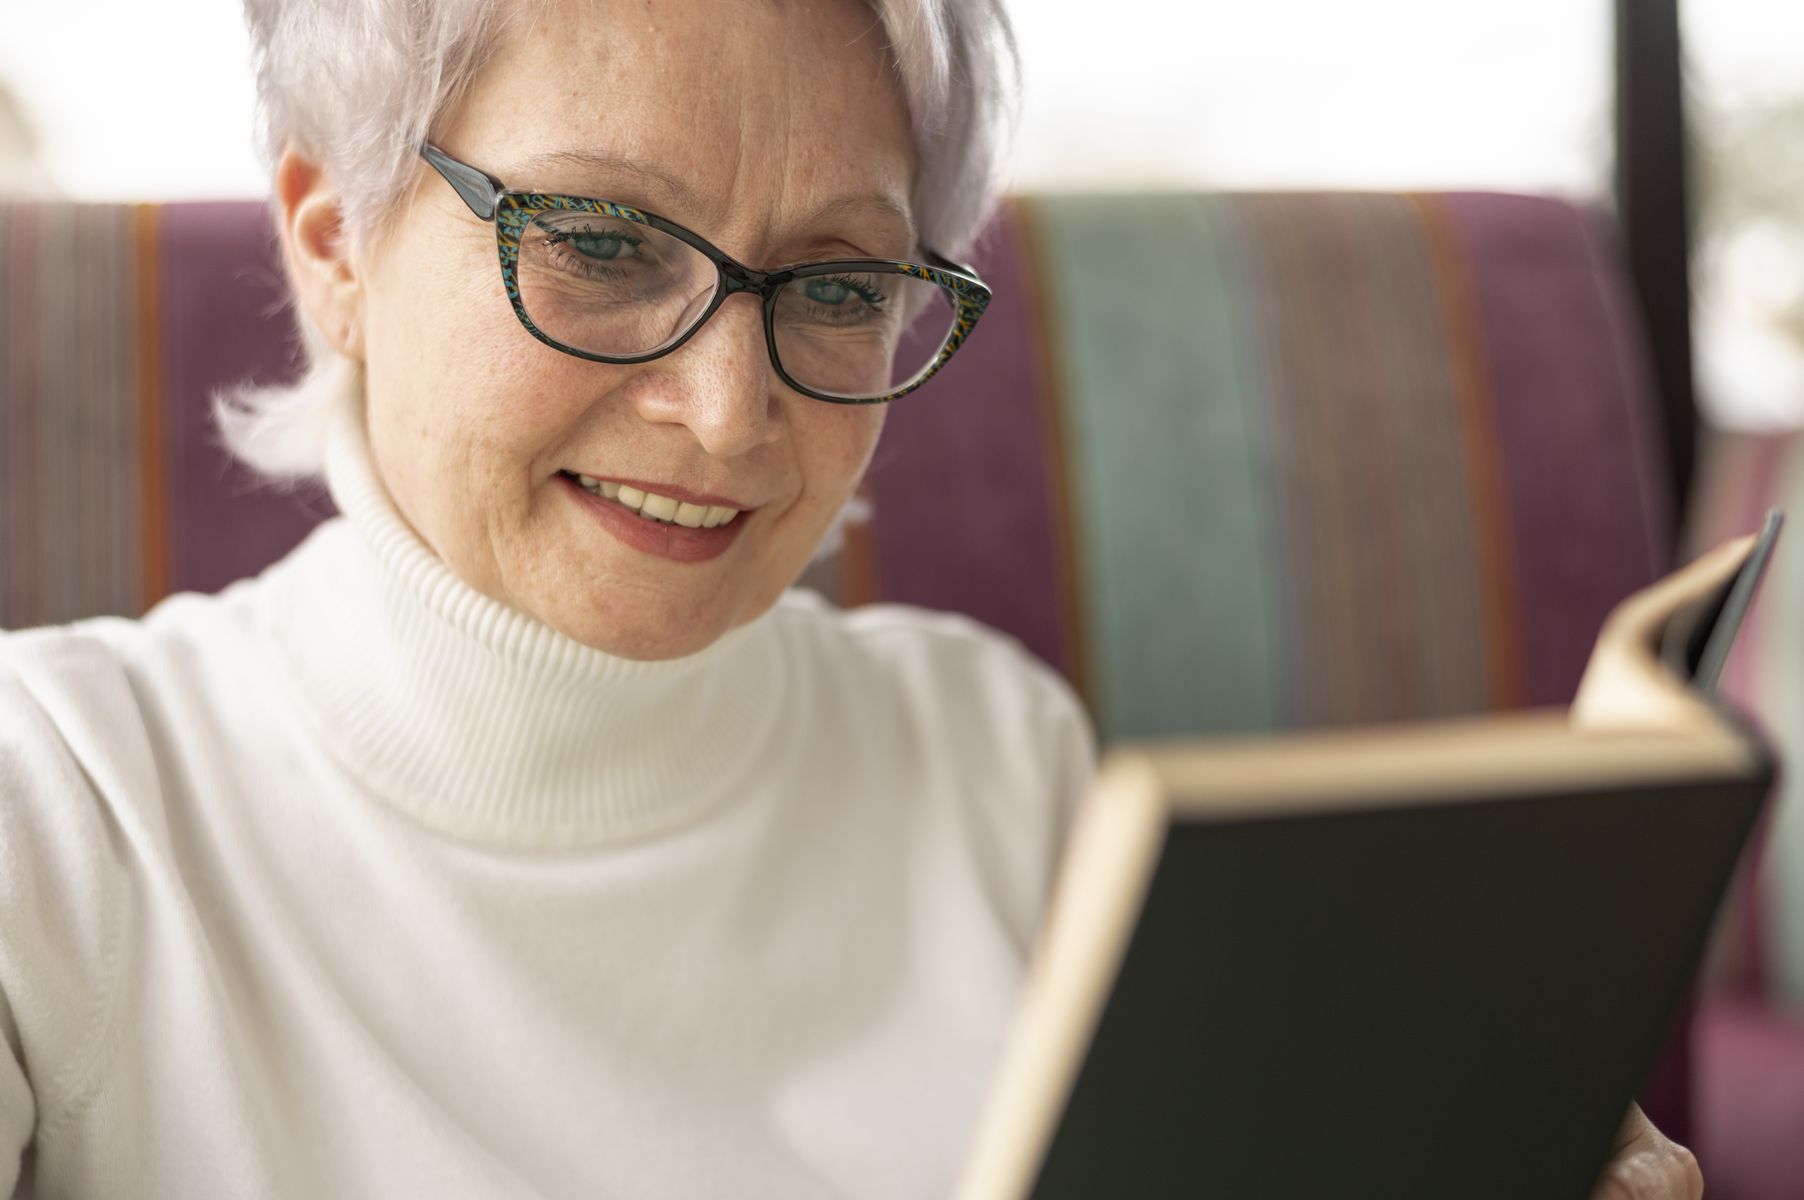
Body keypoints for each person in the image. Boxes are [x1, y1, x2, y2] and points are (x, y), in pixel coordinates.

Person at [0, 0, 1702, 1196]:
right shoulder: (56, 808)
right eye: (599, 241)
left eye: (837, 282)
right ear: (332, 240)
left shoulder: (988, 745)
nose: (732, 413)